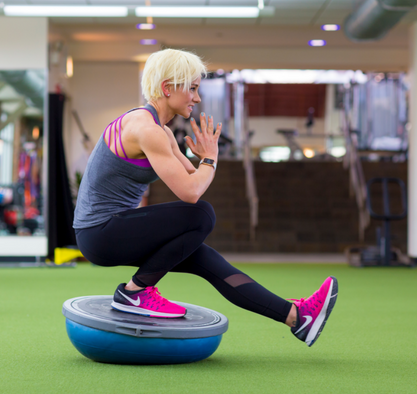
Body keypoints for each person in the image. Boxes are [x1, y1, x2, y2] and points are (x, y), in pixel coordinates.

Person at [73, 49, 338, 347]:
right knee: (201, 214)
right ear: (167, 88)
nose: (197, 98)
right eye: (193, 89)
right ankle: (134, 293)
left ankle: (297, 317)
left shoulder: (161, 132)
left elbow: (194, 178)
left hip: (110, 233)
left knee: (207, 259)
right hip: (100, 233)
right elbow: (191, 192)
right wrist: (210, 159)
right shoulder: (146, 130)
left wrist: (206, 161)